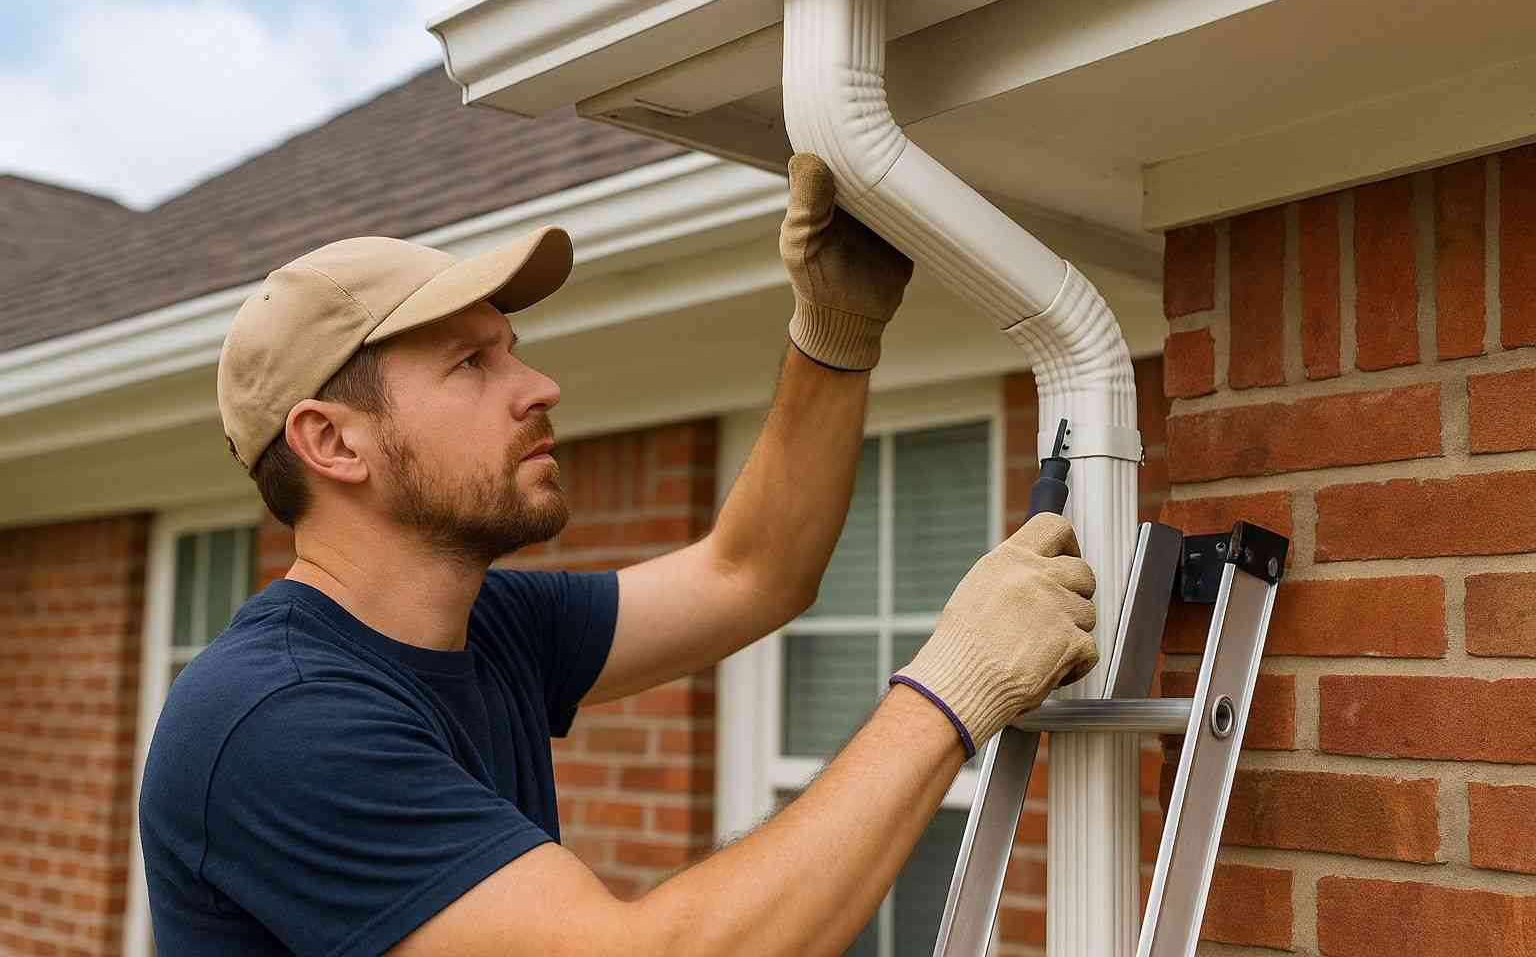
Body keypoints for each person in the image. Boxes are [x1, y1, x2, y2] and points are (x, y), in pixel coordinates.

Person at [138, 153, 1098, 956]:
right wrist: (955, 686)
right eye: (471, 363)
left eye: (511, 349)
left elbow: (751, 572)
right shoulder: (277, 722)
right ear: (333, 443)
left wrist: (835, 334)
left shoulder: (486, 629)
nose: (539, 385)